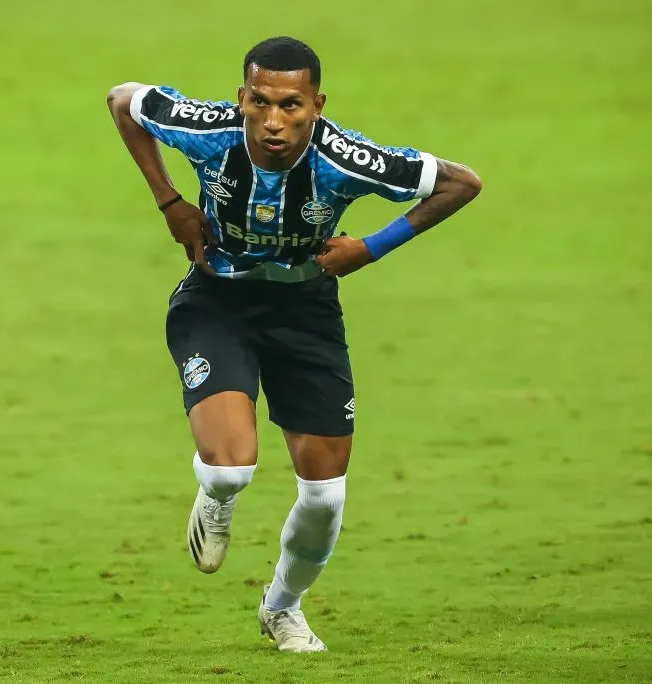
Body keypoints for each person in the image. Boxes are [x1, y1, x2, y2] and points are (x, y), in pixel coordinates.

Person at [106, 36, 481, 653]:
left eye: (291, 106)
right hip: (216, 303)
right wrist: (169, 199)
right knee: (231, 469)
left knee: (326, 497)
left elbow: (461, 184)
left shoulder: (346, 158)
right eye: (260, 102)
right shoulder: (211, 132)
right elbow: (123, 101)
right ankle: (216, 495)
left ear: (317, 106)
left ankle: (282, 608)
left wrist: (371, 247)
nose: (273, 122)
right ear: (242, 98)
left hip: (305, 313)